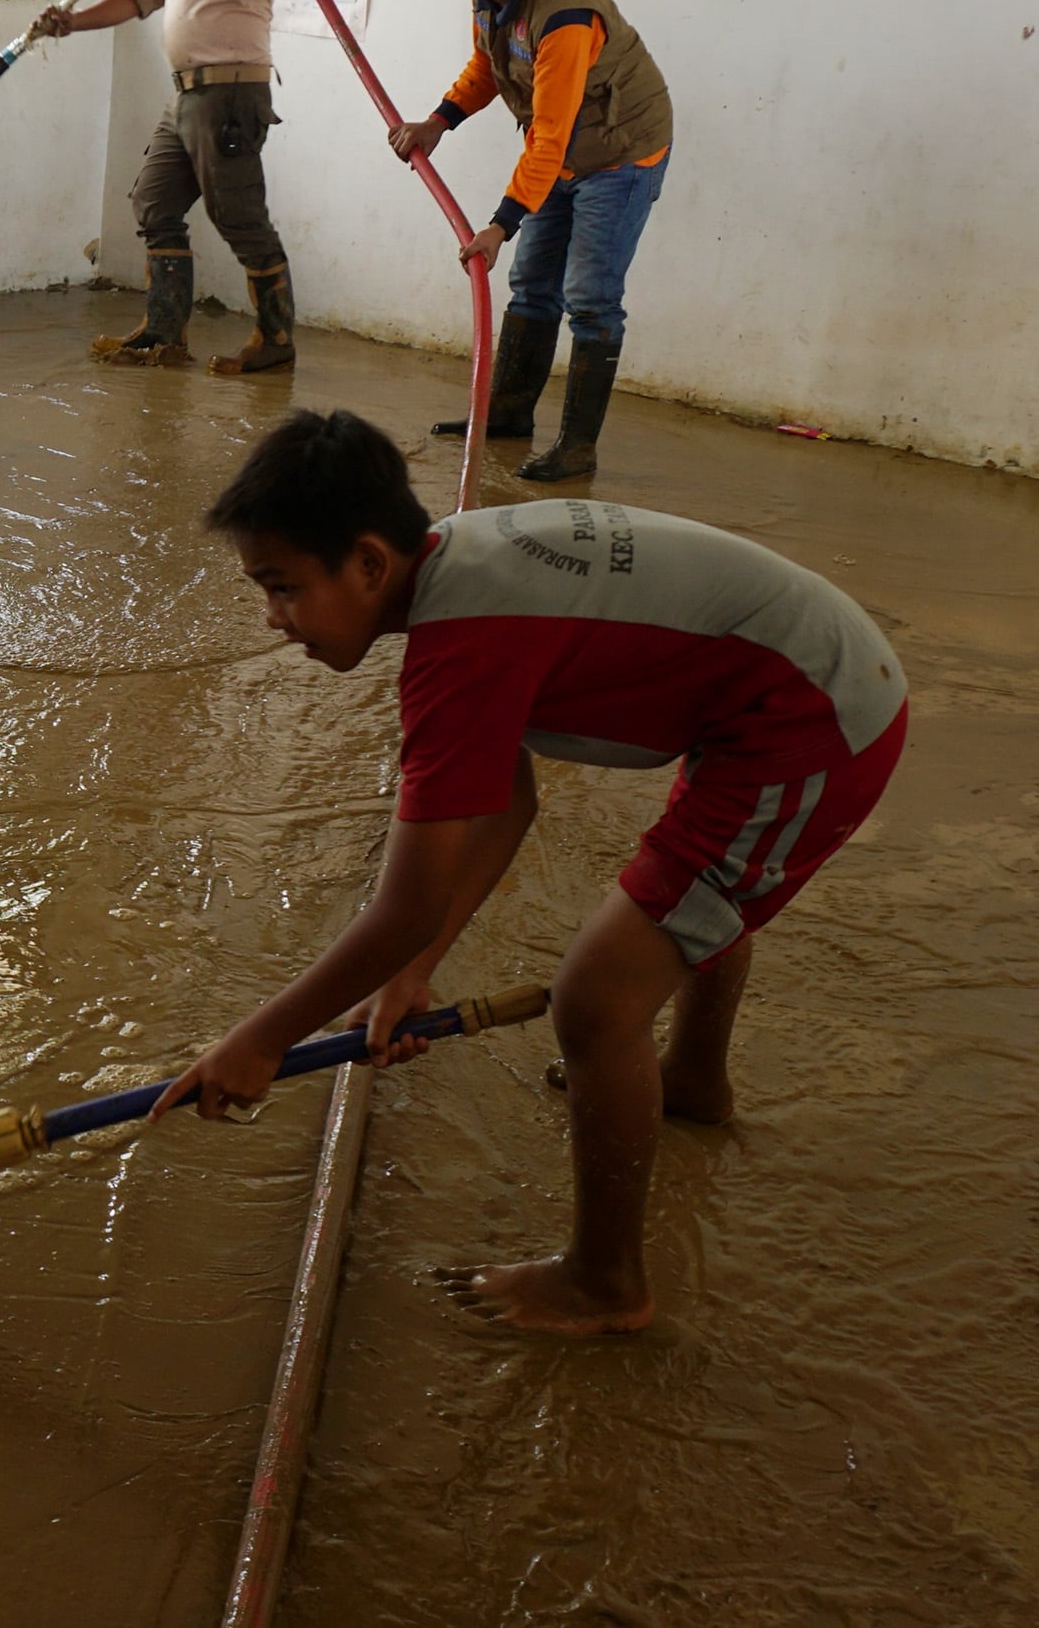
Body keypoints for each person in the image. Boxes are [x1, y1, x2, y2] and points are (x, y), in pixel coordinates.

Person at [158, 410, 907, 1336]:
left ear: (368, 563)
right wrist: (411, 973)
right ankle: (692, 1080)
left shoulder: (461, 646)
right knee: (683, 903)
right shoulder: (459, 569)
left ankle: (604, 1284)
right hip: (785, 683)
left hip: (814, 721)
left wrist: (261, 1040)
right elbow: (504, 802)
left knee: (596, 997)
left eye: (282, 588)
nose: (273, 620)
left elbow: (404, 905)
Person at [387, 0, 674, 482]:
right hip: (562, 151)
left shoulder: (564, 15)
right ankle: (509, 414)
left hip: (620, 153)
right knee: (532, 286)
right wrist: (439, 122)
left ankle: (577, 447)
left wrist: (499, 226)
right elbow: (488, 65)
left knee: (590, 298)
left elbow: (549, 136)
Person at [35, 0, 295, 378]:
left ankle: (276, 338)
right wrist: (72, 22)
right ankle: (164, 332)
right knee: (154, 200)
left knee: (238, 217)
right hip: (188, 94)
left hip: (229, 93)